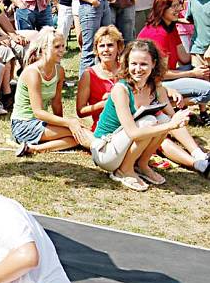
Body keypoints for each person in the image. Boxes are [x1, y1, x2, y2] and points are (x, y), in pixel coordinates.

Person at [78, 26, 209, 177]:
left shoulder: (132, 67)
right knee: (158, 129)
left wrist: (168, 91)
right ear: (96, 49)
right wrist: (107, 104)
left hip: (136, 117)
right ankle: (196, 164)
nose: (106, 50)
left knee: (161, 121)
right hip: (114, 128)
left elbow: (152, 85)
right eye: (102, 46)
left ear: (119, 48)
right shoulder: (91, 74)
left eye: (110, 45)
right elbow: (80, 111)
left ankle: (198, 155)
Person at [90, 40, 195, 191]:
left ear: (154, 64)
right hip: (105, 152)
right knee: (150, 122)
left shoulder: (154, 86)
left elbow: (171, 118)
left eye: (144, 64)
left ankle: (142, 165)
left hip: (124, 146)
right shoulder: (120, 89)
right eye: (133, 64)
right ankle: (123, 171)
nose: (138, 69)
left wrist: (180, 119)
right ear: (127, 64)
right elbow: (133, 132)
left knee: (162, 119)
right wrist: (171, 124)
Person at [11, 27, 91, 157]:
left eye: (63, 46)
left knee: (76, 135)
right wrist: (68, 123)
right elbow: (38, 112)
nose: (62, 50)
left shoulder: (59, 71)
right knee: (78, 132)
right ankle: (104, 150)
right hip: (23, 125)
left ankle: (33, 149)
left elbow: (56, 103)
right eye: (57, 47)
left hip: (39, 123)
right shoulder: (33, 72)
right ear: (44, 48)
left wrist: (65, 125)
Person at [138, 0, 210, 124]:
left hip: (168, 76)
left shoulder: (171, 28)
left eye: (179, 5)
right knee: (208, 89)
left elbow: (184, 58)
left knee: (204, 71)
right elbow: (162, 74)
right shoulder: (158, 34)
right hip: (154, 83)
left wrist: (202, 49)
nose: (179, 10)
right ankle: (164, 104)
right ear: (162, 9)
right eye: (174, 6)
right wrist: (193, 73)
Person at [77, 0, 112, 77]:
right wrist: (92, 0)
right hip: (89, 5)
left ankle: (100, 82)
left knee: (105, 45)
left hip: (103, 2)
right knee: (89, 50)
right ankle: (84, 86)